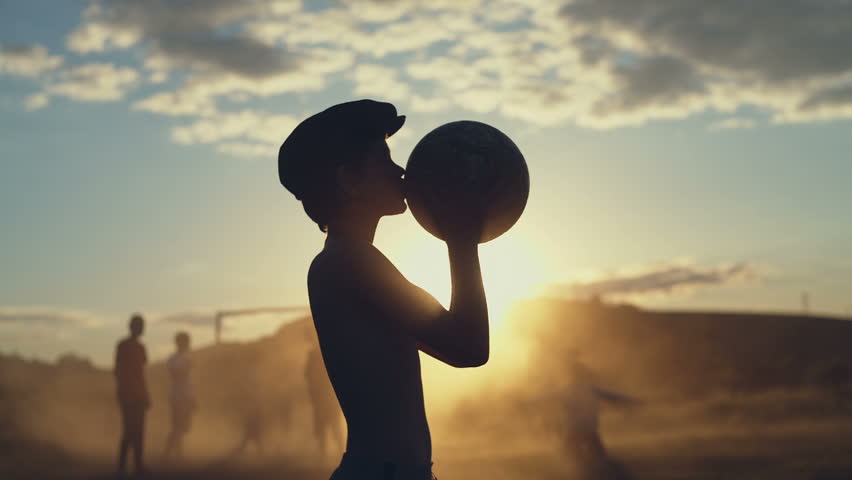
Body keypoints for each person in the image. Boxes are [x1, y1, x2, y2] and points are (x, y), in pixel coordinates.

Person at [278, 99, 491, 479]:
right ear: (349, 180)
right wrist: (461, 237)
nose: (401, 171)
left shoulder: (345, 261)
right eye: (385, 160)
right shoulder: (351, 262)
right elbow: (469, 347)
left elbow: (461, 346)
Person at [114, 313, 150, 477]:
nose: (141, 329)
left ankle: (137, 465)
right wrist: (124, 392)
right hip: (128, 394)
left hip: (138, 394)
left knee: (139, 430)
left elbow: (141, 373)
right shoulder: (124, 346)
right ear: (132, 327)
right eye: (139, 326)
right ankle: (123, 466)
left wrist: (145, 394)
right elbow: (119, 371)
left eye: (141, 326)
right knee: (130, 430)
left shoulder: (140, 347)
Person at [305, 345, 344, 461]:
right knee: (328, 428)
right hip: (325, 399)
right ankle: (327, 454)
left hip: (326, 399)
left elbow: (309, 378)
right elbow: (309, 378)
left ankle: (329, 454)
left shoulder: (314, 355)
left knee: (329, 428)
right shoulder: (317, 355)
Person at [163, 331, 196, 461]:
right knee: (179, 426)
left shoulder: (186, 358)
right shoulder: (174, 359)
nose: (188, 344)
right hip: (178, 396)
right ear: (179, 343)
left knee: (183, 426)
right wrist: (187, 368)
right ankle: (169, 452)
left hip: (185, 395)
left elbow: (188, 381)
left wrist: (192, 398)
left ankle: (176, 452)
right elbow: (175, 376)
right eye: (186, 341)